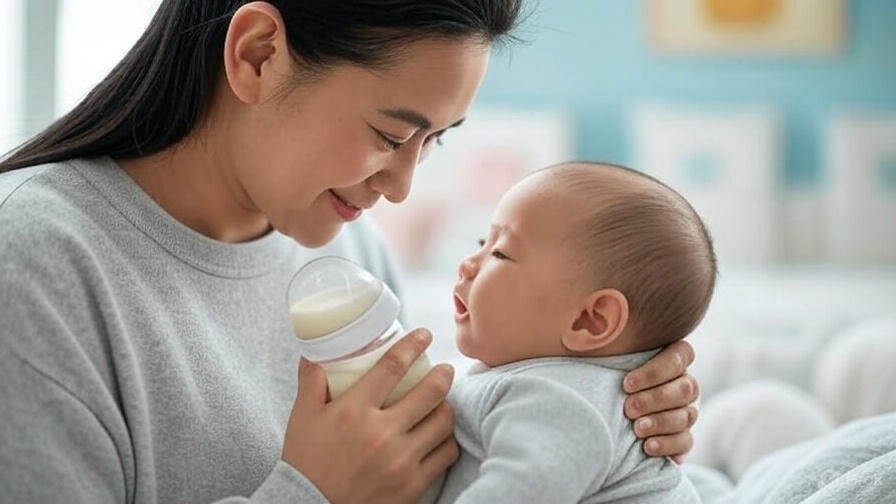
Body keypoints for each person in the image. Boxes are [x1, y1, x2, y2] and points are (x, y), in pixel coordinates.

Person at [0, 2, 700, 503]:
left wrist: (613, 395)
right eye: (391, 136)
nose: (400, 189)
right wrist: (311, 494)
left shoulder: (347, 243)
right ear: (258, 55)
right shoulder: (34, 265)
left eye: (436, 142)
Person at [425, 162, 713, 503]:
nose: (468, 263)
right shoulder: (545, 380)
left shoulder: (558, 402)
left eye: (500, 253)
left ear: (589, 321)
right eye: (482, 242)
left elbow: (518, 493)